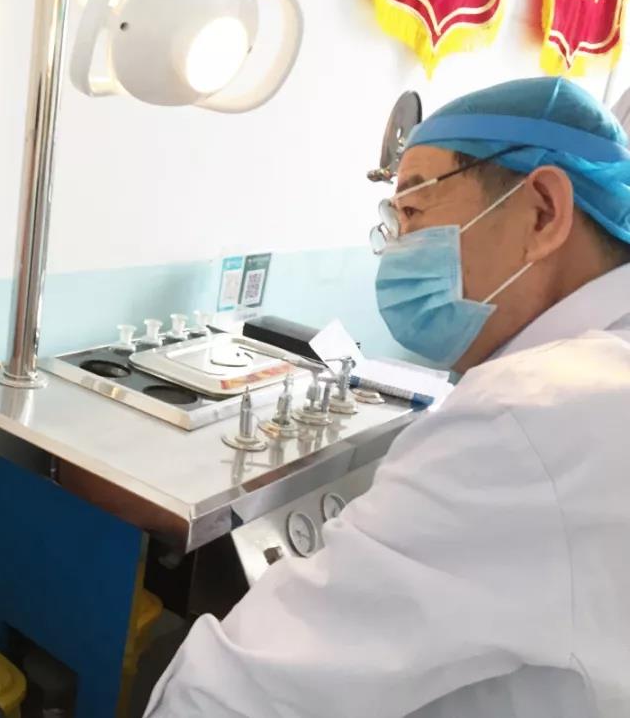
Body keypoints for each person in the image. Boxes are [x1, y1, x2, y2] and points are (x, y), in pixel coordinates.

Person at [143, 77, 630, 718]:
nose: (397, 248)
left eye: (415, 210)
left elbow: (237, 694)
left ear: (542, 211)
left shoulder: (528, 419)